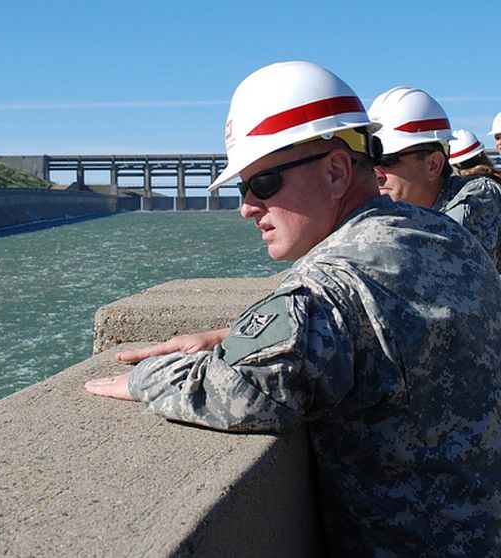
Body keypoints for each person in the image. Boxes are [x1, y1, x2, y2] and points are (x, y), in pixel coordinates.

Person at [85, 61, 501, 556]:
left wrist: (147, 375)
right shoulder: (446, 234)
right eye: (243, 188)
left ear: (336, 171)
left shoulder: (330, 287)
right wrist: (231, 333)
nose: (245, 207)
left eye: (263, 184)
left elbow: (235, 391)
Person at [368, 87, 501, 272]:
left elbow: (426, 268)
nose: (376, 172)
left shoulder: (478, 197)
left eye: (387, 160)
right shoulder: (393, 213)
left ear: (433, 165)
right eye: (369, 160)